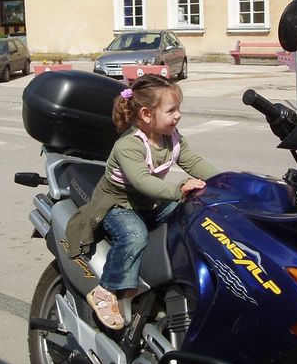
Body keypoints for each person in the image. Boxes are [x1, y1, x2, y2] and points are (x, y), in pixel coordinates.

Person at [65, 74, 218, 330]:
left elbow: (194, 162)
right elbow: (142, 181)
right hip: (118, 203)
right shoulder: (129, 145)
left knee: (189, 214)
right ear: (146, 114)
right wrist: (179, 189)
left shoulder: (172, 138)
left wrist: (224, 181)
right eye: (171, 110)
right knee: (134, 236)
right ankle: (107, 290)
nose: (178, 115)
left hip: (150, 202)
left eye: (178, 109)